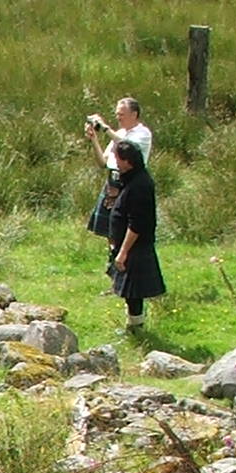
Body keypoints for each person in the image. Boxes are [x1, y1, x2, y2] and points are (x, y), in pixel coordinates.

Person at [104, 138, 165, 334]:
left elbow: (137, 224)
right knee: (130, 292)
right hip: (128, 245)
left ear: (127, 161)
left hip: (135, 246)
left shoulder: (141, 185)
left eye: (117, 159)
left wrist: (123, 252)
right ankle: (133, 324)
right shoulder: (132, 179)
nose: (116, 162)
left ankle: (135, 328)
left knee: (134, 292)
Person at [84, 97, 153, 168]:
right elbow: (103, 163)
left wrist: (105, 127)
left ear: (134, 115)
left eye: (121, 115)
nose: (118, 118)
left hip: (133, 174)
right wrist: (94, 139)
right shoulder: (119, 133)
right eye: (117, 114)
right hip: (113, 174)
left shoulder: (143, 133)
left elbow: (127, 147)